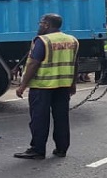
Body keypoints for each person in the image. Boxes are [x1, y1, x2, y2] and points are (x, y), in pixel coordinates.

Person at [14, 13, 79, 160]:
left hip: (42, 86)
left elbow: (33, 63)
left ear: (46, 25)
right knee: (61, 118)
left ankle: (37, 150)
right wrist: (73, 84)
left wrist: (22, 85)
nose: (39, 25)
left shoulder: (43, 40)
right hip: (63, 86)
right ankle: (61, 149)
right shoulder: (72, 40)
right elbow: (75, 63)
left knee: (39, 119)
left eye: (41, 23)